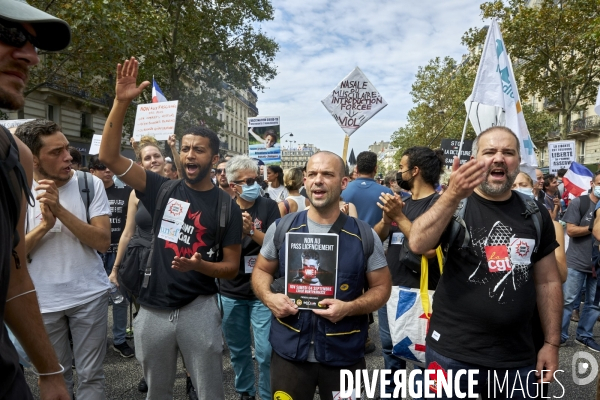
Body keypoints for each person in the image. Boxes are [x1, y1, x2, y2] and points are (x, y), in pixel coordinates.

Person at [99, 57, 242, 399]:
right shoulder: (159, 188)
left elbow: (232, 267)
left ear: (214, 158)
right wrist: (121, 103)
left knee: (209, 391)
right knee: (156, 392)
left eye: (199, 150)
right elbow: (108, 156)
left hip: (199, 308)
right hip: (151, 311)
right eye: (187, 148)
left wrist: (200, 266)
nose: (191, 155)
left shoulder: (226, 206)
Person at [410, 127, 562, 398]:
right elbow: (418, 243)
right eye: (489, 152)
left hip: (518, 359)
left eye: (508, 152)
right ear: (474, 160)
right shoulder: (453, 205)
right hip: (452, 355)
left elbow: (549, 280)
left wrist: (551, 343)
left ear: (517, 161)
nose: (499, 158)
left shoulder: (535, 213)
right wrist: (452, 194)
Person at [252, 151, 391, 400]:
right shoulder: (282, 227)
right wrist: (269, 298)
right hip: (290, 353)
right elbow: (261, 270)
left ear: (344, 182)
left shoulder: (364, 235)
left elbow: (382, 288)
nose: (318, 180)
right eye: (313, 174)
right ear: (304, 180)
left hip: (344, 354)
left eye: (328, 174)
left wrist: (349, 308)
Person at [0, 2, 71, 398]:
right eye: (10, 34)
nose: (30, 56)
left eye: (32, 43)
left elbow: (13, 273)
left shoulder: (14, 158)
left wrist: (50, 371)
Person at [16, 119, 112, 399]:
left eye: (67, 149)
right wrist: (45, 226)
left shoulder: (89, 183)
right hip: (41, 303)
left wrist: (59, 211)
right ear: (33, 158)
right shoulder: (16, 190)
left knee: (91, 376)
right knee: (55, 378)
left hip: (89, 296)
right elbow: (14, 253)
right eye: (56, 152)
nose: (68, 157)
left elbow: (103, 242)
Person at [373, 146, 445, 397]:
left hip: (421, 292)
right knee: (390, 350)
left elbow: (428, 249)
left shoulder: (439, 205)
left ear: (415, 171)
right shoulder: (401, 202)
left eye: (402, 168)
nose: (398, 172)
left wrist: (399, 218)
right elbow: (377, 236)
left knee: (419, 355)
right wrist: (386, 218)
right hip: (390, 290)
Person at [220, 155, 280, 400]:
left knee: (265, 352)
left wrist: (251, 231)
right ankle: (245, 391)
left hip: (262, 291)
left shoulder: (268, 206)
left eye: (255, 179)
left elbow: (276, 245)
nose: (254, 184)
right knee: (238, 350)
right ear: (234, 185)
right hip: (230, 291)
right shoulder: (223, 207)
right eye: (247, 181)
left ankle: (266, 395)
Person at [89, 155, 135, 358]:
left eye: (109, 167)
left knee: (119, 300)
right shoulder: (86, 193)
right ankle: (93, 343)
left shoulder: (126, 192)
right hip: (94, 253)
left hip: (118, 253)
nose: (107, 170)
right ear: (92, 171)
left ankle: (119, 339)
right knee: (92, 302)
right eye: (101, 167)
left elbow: (129, 224)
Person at [559, 172, 600, 351]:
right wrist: (593, 227)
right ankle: (559, 335)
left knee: (593, 303)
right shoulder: (580, 203)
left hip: (597, 265)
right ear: (592, 183)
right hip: (576, 262)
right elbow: (571, 231)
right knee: (567, 301)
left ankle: (584, 336)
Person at [512, 172, 567, 282]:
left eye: (523, 185)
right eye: (513, 186)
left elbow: (562, 276)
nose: (518, 189)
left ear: (532, 188)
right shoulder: (499, 225)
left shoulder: (553, 227)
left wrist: (540, 246)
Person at [341, 151, 393, 227]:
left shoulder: (343, 190)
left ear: (357, 169)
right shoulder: (387, 193)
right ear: (375, 169)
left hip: (349, 237)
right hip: (377, 237)